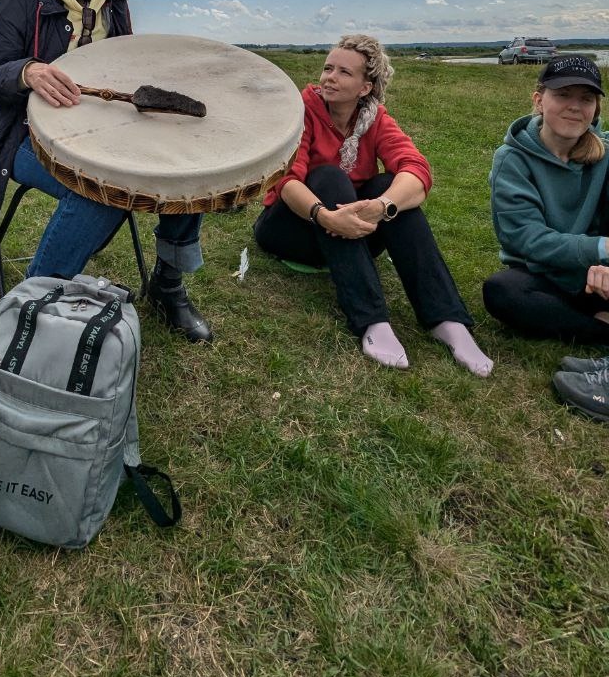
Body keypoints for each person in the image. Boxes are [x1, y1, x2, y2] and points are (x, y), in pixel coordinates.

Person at [0, 0, 212, 342]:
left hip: (103, 132)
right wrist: (26, 71)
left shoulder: (115, 1)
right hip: (25, 137)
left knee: (183, 168)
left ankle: (168, 286)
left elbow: (125, 66)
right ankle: (31, 304)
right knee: (104, 191)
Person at [253, 34, 492, 375]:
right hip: (291, 227)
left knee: (387, 187)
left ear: (365, 88)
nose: (329, 78)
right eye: (327, 68)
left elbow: (417, 170)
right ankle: (372, 321)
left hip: (351, 229)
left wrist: (383, 206)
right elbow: (287, 180)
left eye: (343, 72)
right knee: (328, 177)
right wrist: (326, 217)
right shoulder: (302, 110)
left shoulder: (375, 119)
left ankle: (447, 319)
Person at [484, 55, 609, 419]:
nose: (575, 106)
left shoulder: (604, 154)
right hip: (546, 275)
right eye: (563, 94)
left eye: (586, 98)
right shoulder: (513, 159)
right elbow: (525, 238)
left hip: (600, 278)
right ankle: (600, 330)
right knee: (502, 291)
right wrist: (599, 249)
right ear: (539, 100)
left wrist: (603, 265)